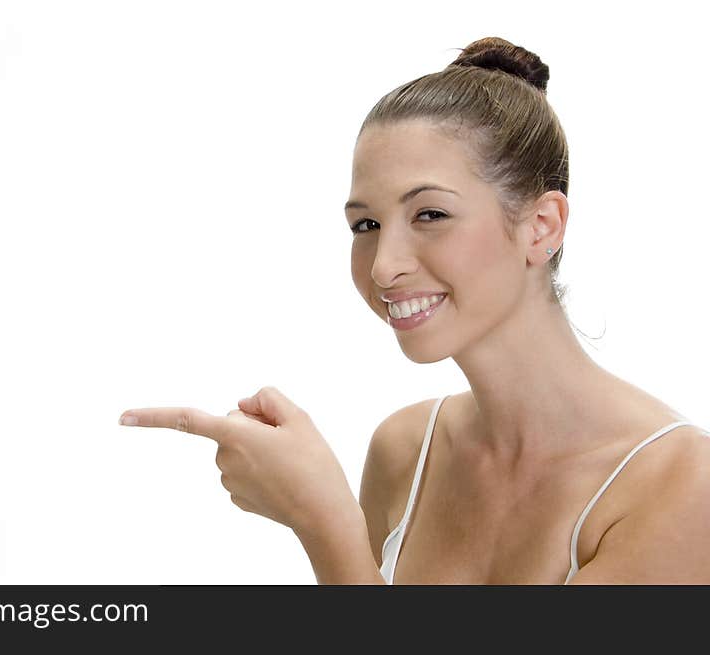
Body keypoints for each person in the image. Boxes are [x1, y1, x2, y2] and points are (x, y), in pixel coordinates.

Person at [119, 36, 710, 584]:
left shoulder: (679, 485)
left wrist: (324, 522)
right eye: (366, 225)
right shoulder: (405, 451)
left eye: (430, 214)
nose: (383, 266)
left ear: (541, 225)